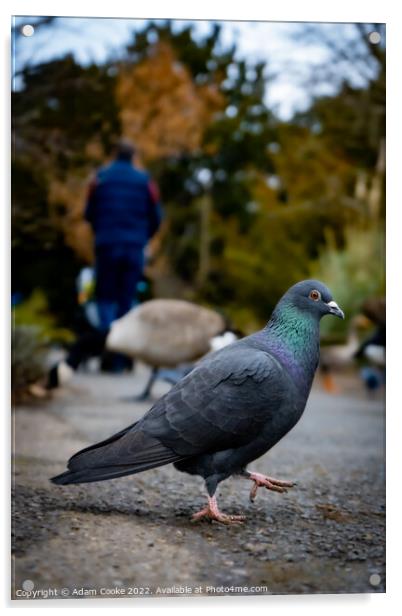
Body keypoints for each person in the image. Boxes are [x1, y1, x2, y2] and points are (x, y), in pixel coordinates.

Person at [85, 139, 163, 333]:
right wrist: (143, 237)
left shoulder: (100, 178)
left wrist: (102, 232)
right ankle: (121, 356)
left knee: (105, 297)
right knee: (126, 299)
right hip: (134, 246)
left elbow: (88, 213)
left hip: (107, 244)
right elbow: (157, 217)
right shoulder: (144, 180)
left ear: (114, 154)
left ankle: (106, 344)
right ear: (133, 156)